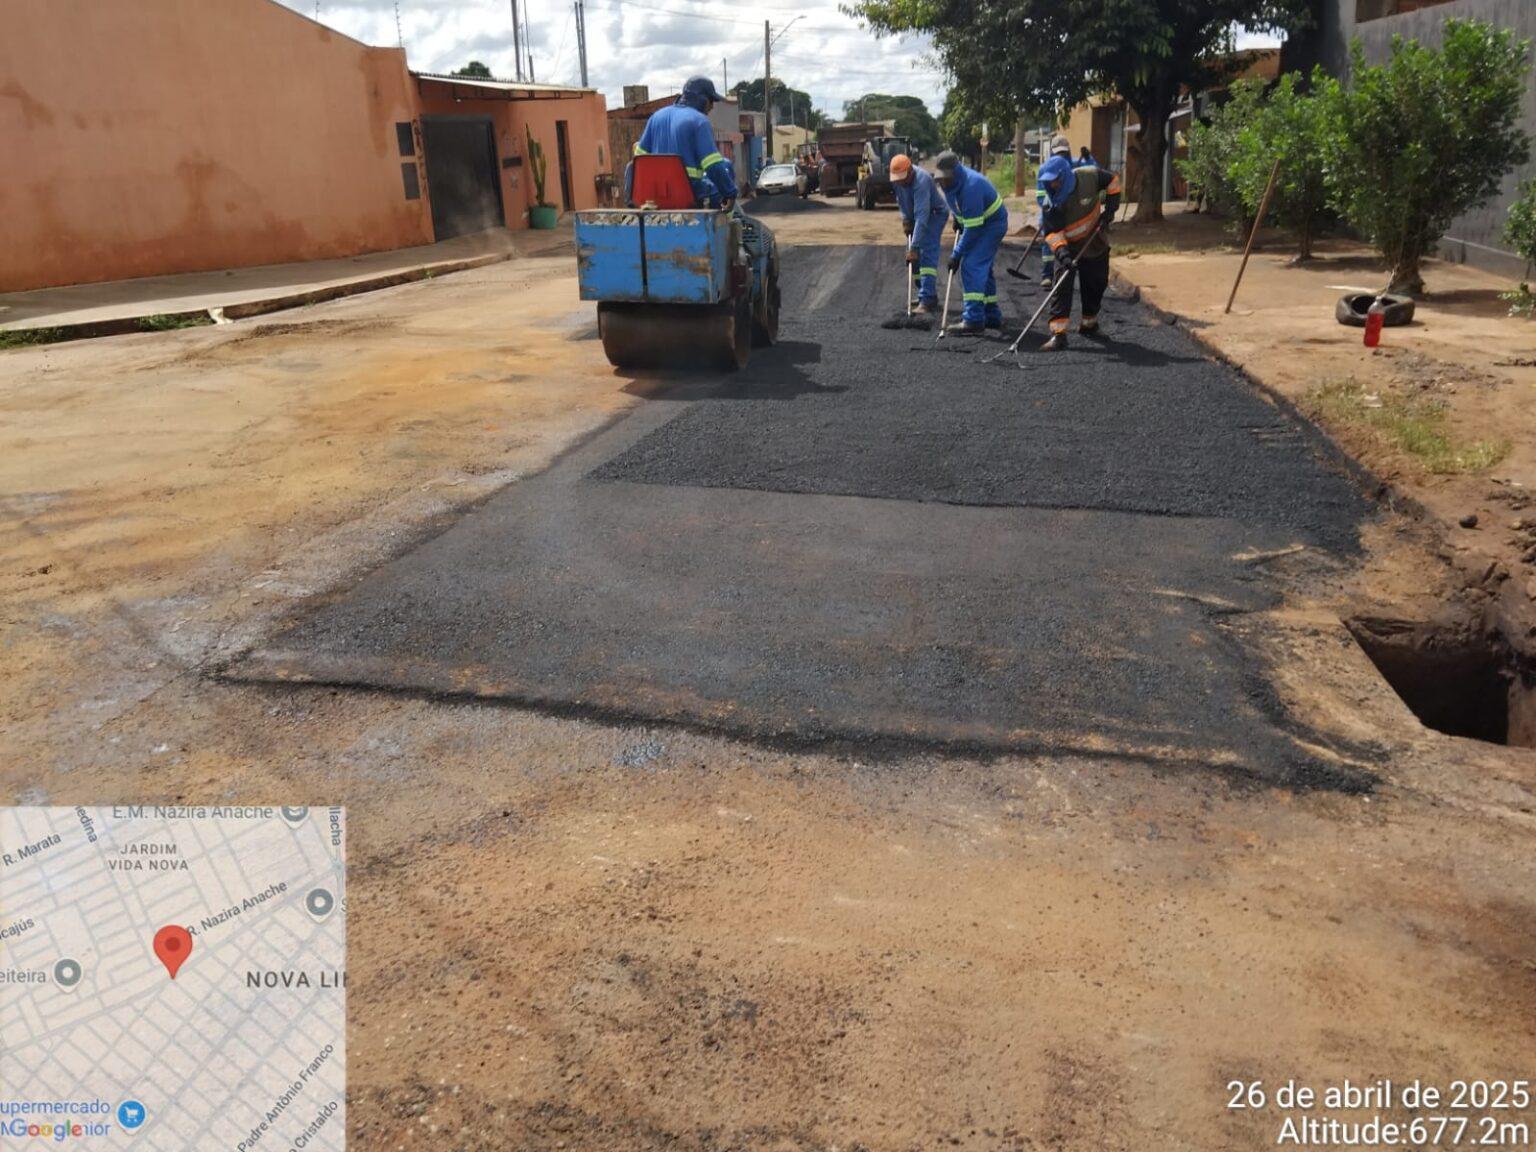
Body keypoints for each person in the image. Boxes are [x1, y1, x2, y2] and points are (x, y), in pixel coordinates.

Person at [1037, 149, 1122, 350]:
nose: (1052, 185)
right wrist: (1063, 254)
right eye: (1048, 182)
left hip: (1095, 241)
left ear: (1065, 175)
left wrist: (1110, 209)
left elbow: (1113, 182)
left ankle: (1089, 324)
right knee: (1061, 287)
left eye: (1055, 181)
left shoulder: (1089, 176)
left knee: (1096, 282)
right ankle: (1058, 334)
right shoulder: (1051, 205)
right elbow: (1052, 234)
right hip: (1068, 247)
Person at [632, 76, 737, 209]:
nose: (712, 107)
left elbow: (638, 159)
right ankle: (725, 225)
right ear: (703, 100)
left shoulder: (656, 117)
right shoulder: (700, 121)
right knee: (725, 169)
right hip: (689, 195)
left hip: (654, 199)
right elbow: (713, 165)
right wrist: (730, 193)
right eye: (712, 101)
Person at [934, 150, 1008, 334]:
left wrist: (956, 255)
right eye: (940, 179)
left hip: (992, 225)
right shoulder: (950, 185)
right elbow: (958, 208)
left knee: (971, 265)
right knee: (984, 267)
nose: (943, 182)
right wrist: (959, 218)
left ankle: (973, 319)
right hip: (979, 222)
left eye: (946, 178)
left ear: (956, 172)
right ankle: (991, 315)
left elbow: (974, 229)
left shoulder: (971, 186)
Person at [889, 153, 949, 313]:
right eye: (898, 179)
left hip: (934, 214)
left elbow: (922, 216)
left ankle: (927, 300)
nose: (900, 181)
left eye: (903, 177)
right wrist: (906, 220)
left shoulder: (921, 181)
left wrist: (915, 246)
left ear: (910, 171)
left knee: (925, 251)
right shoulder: (897, 181)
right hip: (916, 216)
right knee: (913, 259)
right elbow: (901, 202)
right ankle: (926, 293)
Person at [1035, 135, 1073, 287]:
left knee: (1067, 244)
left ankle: (1064, 275)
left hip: (1068, 212)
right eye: (1058, 153)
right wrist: (1051, 208)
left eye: (1063, 153)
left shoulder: (1072, 166)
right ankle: (1047, 275)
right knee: (1049, 242)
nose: (1061, 156)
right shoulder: (1044, 169)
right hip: (1050, 211)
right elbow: (1040, 196)